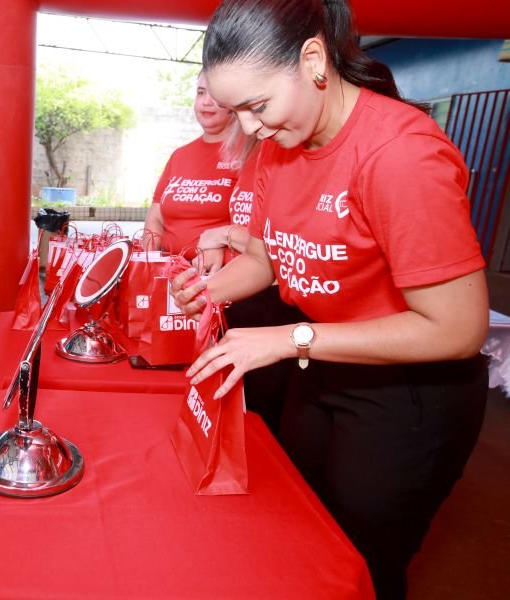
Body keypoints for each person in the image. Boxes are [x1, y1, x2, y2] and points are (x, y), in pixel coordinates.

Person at [173, 1, 488, 597]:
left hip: (411, 392)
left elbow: (457, 328)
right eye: (236, 110)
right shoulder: (279, 143)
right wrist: (204, 289)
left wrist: (288, 339)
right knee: (299, 533)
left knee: (361, 566)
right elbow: (270, 258)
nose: (247, 129)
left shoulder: (399, 155)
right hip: (323, 363)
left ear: (313, 59)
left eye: (257, 106)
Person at [144, 71, 241, 268]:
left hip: (217, 274)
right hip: (168, 272)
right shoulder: (179, 156)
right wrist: (148, 264)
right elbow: (154, 220)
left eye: (214, 94)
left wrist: (221, 248)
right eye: (200, 92)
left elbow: (253, 233)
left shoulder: (247, 155)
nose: (206, 102)